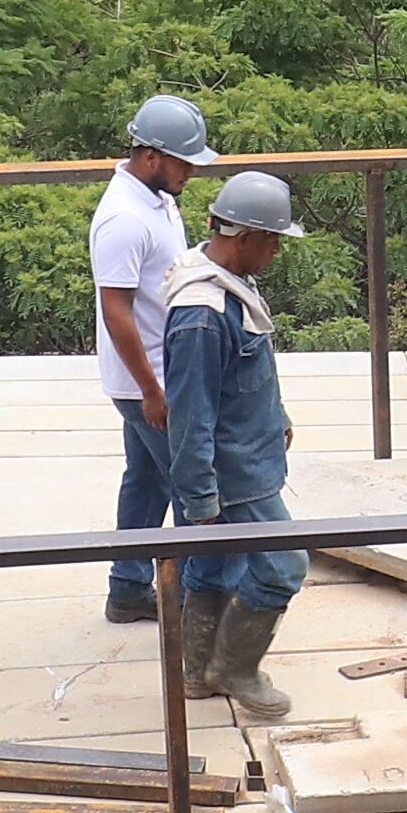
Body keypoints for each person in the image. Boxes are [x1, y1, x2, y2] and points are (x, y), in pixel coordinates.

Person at [161, 170, 310, 718]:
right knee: (283, 566)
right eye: (271, 241)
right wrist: (200, 497)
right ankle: (234, 668)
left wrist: (276, 414)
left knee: (213, 565)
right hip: (236, 472)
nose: (275, 252)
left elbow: (243, 373)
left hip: (248, 453)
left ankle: (198, 673)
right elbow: (190, 416)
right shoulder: (202, 315)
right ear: (244, 237)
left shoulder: (228, 284)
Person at [96, 93, 217, 625]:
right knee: (191, 484)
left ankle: (127, 589)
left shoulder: (157, 197)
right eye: (184, 162)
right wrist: (151, 390)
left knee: (145, 481)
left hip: (158, 374)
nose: (191, 171)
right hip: (148, 379)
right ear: (151, 156)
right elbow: (116, 310)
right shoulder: (123, 218)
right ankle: (192, 602)